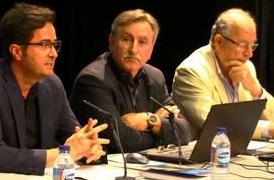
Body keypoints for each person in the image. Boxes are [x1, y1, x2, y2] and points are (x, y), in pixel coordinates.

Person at [0, 3, 109, 173]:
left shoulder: (52, 85)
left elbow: (74, 138)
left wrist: (89, 148)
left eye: (54, 44)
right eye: (44, 45)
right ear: (17, 51)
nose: (54, 54)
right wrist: (61, 154)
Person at [172, 8, 274, 144]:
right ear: (219, 41)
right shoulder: (191, 71)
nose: (249, 54)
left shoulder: (246, 67)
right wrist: (267, 129)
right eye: (243, 45)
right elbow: (214, 123)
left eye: (252, 46)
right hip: (202, 159)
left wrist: (255, 89)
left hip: (238, 154)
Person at [70, 9, 191, 152]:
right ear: (111, 41)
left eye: (142, 42)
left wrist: (150, 120)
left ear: (151, 49)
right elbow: (120, 142)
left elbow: (184, 131)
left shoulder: (155, 77)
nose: (134, 49)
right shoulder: (93, 80)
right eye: (127, 39)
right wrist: (162, 133)